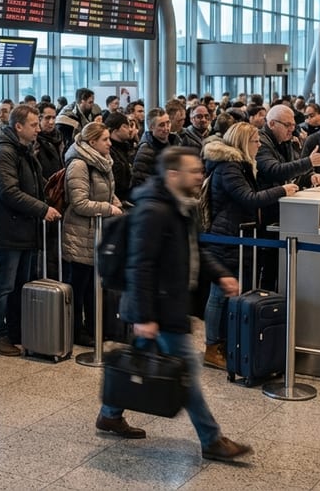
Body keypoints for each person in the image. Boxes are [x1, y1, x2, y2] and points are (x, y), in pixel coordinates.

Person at [94, 147, 252, 463]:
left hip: (168, 304)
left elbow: (195, 250)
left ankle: (109, 414)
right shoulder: (155, 211)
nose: (200, 176)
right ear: (173, 175)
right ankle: (211, 439)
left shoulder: (182, 206)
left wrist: (221, 275)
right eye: (193, 171)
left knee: (140, 357)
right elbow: (141, 266)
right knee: (186, 374)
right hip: (160, 308)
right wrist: (144, 316)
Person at [201, 124, 297, 368]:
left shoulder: (241, 166)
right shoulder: (229, 168)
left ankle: (225, 341)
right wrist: (282, 190)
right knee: (218, 295)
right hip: (227, 237)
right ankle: (212, 346)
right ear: (244, 143)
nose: (260, 145)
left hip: (237, 235)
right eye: (255, 141)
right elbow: (249, 199)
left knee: (230, 293)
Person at [0, 104, 59, 356]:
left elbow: (34, 186)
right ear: (18, 126)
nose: (38, 129)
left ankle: (16, 331)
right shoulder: (4, 151)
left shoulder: (24, 150)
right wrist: (42, 209)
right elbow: (9, 192)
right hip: (8, 229)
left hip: (25, 228)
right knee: (4, 285)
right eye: (34, 125)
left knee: (21, 284)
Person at [61, 122, 123, 347]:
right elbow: (79, 203)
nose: (110, 143)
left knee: (91, 287)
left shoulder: (103, 162)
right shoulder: (78, 164)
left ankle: (92, 328)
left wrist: (116, 205)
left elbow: (108, 193)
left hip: (96, 233)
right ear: (92, 142)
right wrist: (109, 209)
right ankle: (76, 331)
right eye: (105, 139)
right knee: (79, 287)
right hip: (80, 234)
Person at [132, 109, 179, 189]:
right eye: (161, 125)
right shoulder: (146, 149)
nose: (166, 128)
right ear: (151, 127)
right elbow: (140, 181)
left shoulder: (175, 141)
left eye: (168, 123)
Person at [105, 111, 137, 207]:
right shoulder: (108, 152)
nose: (130, 129)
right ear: (115, 131)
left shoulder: (125, 148)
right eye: (125, 126)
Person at [36, 101, 65, 182]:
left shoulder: (59, 137)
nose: (51, 122)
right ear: (38, 118)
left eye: (53, 118)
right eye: (47, 118)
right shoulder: (34, 141)